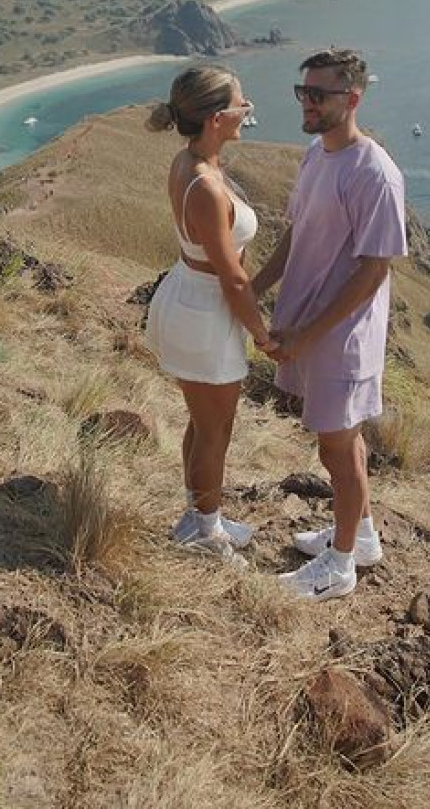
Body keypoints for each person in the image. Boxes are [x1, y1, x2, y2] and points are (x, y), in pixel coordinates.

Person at [255, 48, 407, 600]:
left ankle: (339, 568)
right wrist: (255, 287)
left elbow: (373, 272)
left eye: (319, 94)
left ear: (354, 98)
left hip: (342, 341)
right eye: (303, 91)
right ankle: (360, 536)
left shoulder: (376, 174)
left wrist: (308, 335)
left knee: (336, 449)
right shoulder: (316, 156)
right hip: (313, 333)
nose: (307, 103)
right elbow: (295, 233)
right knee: (342, 441)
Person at [146, 66, 275, 562]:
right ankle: (205, 532)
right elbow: (234, 278)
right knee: (215, 429)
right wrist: (261, 334)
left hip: (190, 299)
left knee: (203, 423)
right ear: (218, 117)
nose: (249, 111)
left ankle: (200, 517)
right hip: (205, 313)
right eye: (243, 104)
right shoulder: (206, 186)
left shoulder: (189, 162)